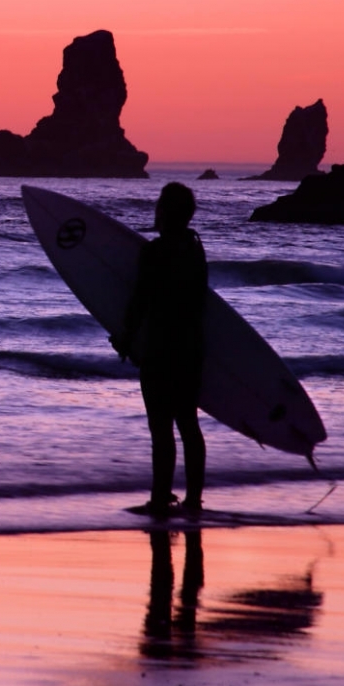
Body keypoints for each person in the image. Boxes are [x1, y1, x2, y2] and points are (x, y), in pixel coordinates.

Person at [112, 182, 208, 518]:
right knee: (188, 424)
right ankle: (194, 499)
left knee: (161, 427)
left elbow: (141, 300)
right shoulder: (196, 250)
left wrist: (125, 337)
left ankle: (159, 496)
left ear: (164, 211)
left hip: (162, 350)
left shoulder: (155, 252)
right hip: (192, 348)